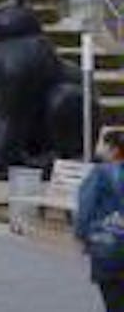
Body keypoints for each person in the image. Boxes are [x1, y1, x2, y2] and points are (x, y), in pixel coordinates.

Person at [76, 129, 124, 310]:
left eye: (103, 145)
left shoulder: (100, 173)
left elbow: (86, 208)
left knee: (114, 300)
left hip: (108, 245)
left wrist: (82, 236)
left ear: (113, 149)